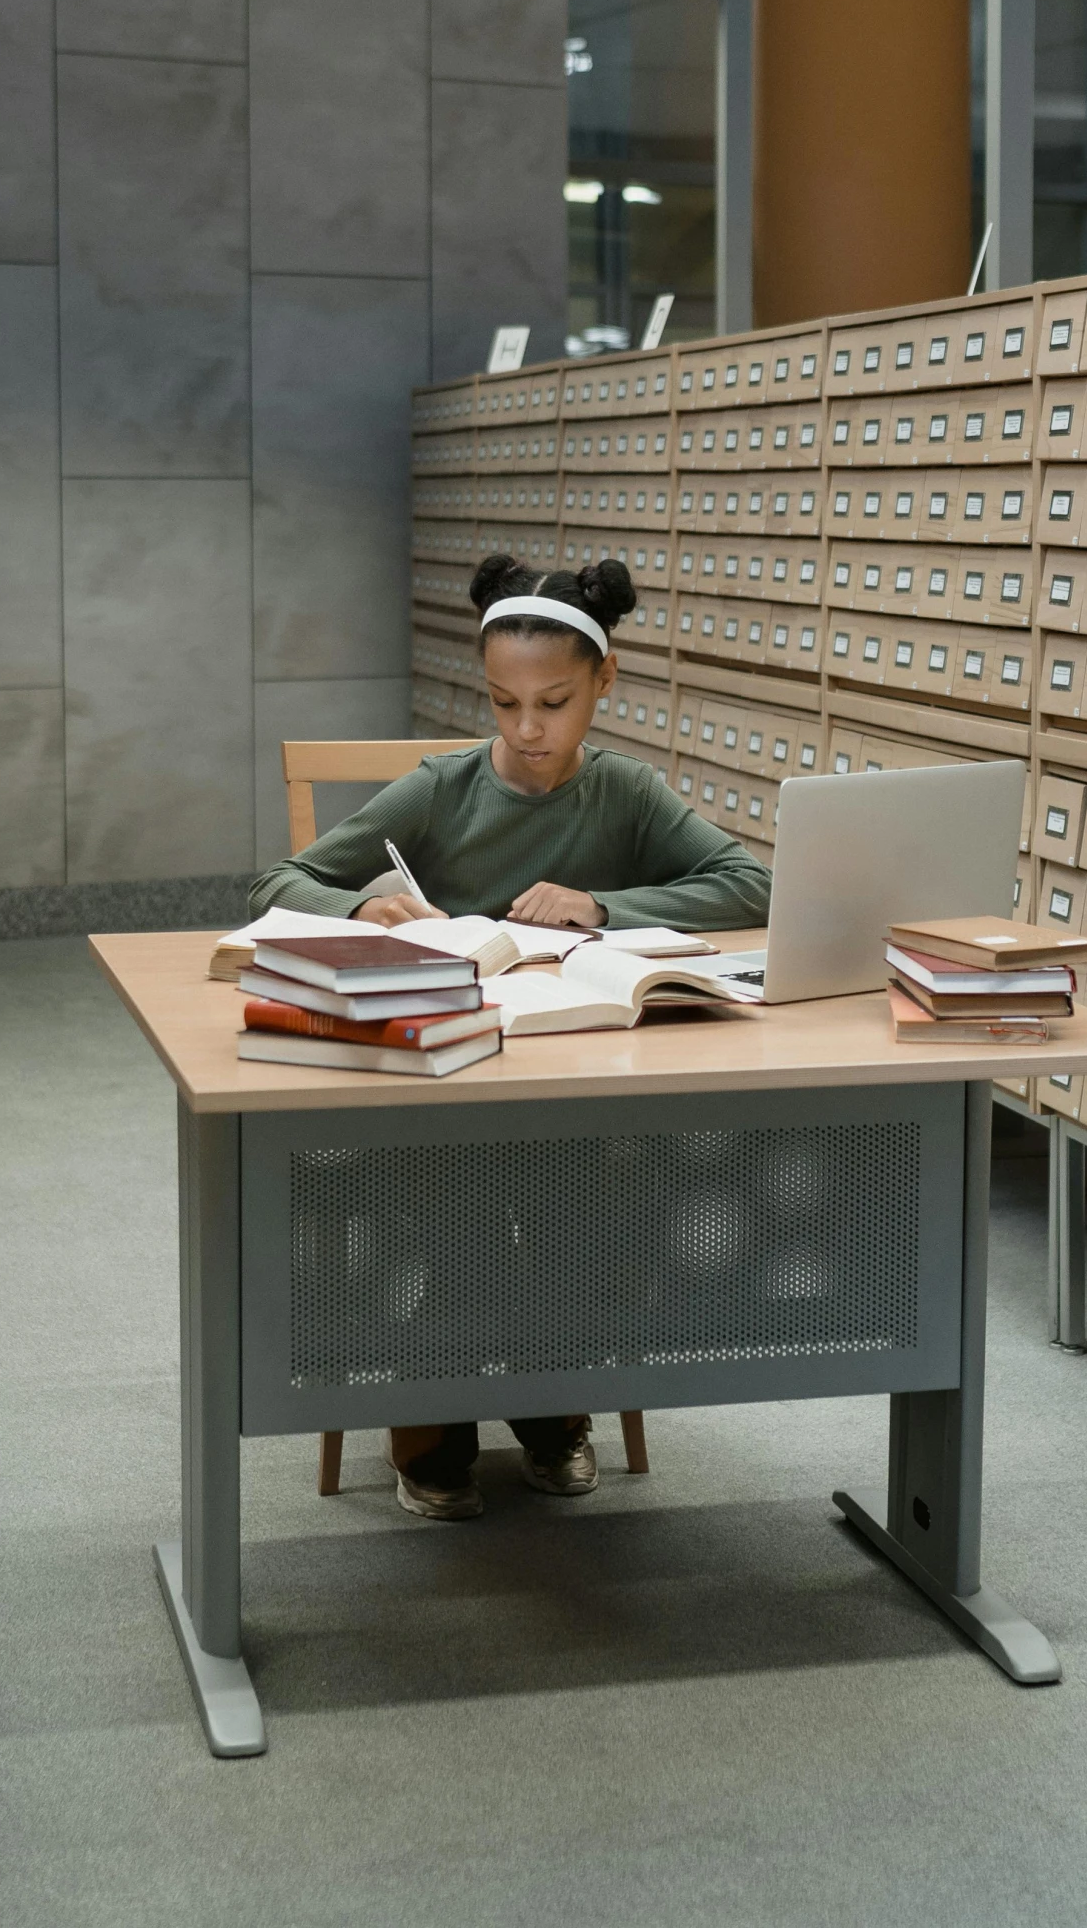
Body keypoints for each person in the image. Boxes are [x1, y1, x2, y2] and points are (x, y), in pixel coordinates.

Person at [249, 550, 773, 1522]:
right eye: (503, 703)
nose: (528, 729)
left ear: (603, 682)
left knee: (583, 1223)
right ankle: (434, 1428)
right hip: (437, 1084)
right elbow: (277, 881)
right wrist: (367, 902)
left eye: (555, 701)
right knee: (463, 1218)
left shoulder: (624, 792)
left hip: (570, 1083)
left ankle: (550, 1415)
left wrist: (600, 905)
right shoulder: (440, 786)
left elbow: (751, 885)